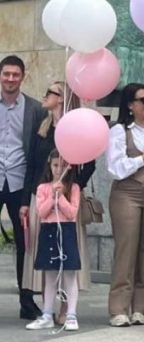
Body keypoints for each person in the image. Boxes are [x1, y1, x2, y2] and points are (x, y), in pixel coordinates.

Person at [22, 82, 95, 301]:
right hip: (42, 197)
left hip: (66, 200)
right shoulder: (42, 129)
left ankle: (66, 307)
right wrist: (26, 201)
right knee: (44, 252)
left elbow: (90, 163)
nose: (44, 97)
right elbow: (32, 166)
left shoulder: (75, 129)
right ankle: (47, 307)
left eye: (49, 93)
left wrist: (73, 187)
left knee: (67, 252)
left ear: (61, 98)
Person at [106, 83, 144, 328]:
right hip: (127, 192)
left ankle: (140, 307)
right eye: (142, 100)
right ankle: (119, 308)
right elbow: (115, 168)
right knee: (126, 250)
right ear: (130, 105)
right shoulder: (119, 131)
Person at [0, 55, 47, 319]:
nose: (10, 79)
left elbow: (39, 150)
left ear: (23, 77)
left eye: (15, 75)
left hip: (20, 182)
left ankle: (27, 301)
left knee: (25, 243)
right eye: (6, 74)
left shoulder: (35, 109)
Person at [25, 151, 82, 331]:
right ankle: (47, 314)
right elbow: (41, 212)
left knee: (69, 275)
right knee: (49, 276)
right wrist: (52, 197)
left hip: (66, 230)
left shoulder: (73, 188)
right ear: (50, 165)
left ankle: (71, 314)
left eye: (62, 166)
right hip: (48, 230)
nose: (58, 170)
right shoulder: (42, 188)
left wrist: (61, 197)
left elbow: (72, 213)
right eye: (55, 165)